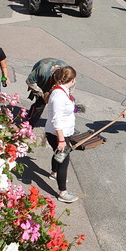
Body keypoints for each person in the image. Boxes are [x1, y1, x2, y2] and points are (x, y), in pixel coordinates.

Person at [45, 66, 79, 203]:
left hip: (63, 132)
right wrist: (61, 140)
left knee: (57, 155)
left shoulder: (63, 92)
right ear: (73, 79)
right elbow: (56, 119)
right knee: (64, 161)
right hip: (58, 133)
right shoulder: (59, 95)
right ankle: (62, 192)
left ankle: (54, 173)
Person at [25, 58, 68, 127]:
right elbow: (30, 81)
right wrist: (41, 94)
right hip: (43, 83)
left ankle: (60, 126)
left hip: (57, 84)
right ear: (54, 75)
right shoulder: (42, 71)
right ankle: (29, 125)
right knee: (40, 104)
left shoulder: (68, 74)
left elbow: (70, 89)